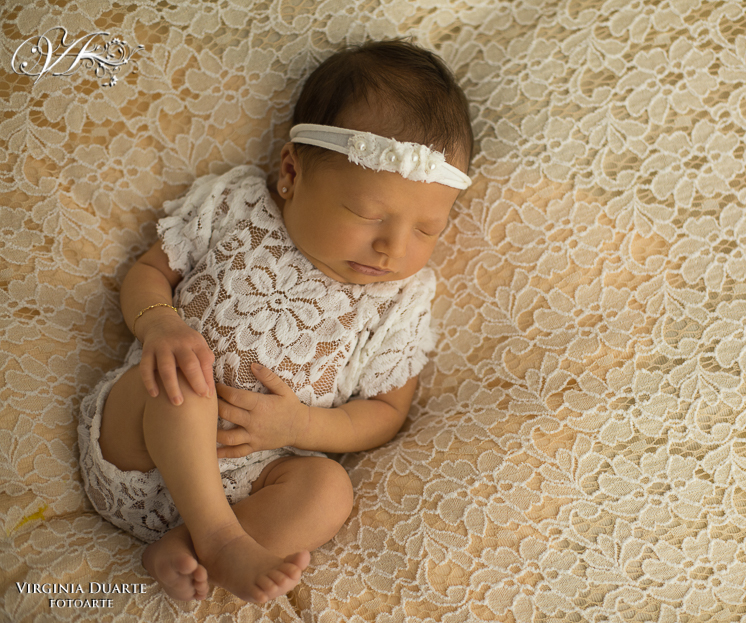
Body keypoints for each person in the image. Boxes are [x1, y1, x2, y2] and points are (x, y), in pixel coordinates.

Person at [77, 39, 473, 604]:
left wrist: (301, 428)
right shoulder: (237, 208)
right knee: (185, 376)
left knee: (329, 490)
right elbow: (149, 272)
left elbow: (386, 412)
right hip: (138, 443)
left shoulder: (400, 300)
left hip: (253, 488)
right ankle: (218, 540)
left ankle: (190, 545)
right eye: (368, 214)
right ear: (291, 171)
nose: (393, 246)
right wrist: (160, 325)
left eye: (426, 229)